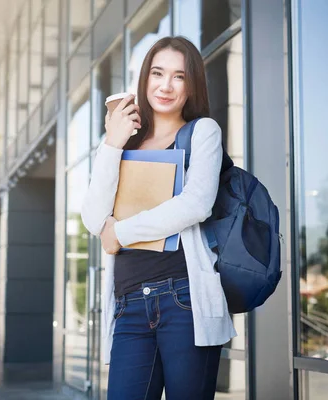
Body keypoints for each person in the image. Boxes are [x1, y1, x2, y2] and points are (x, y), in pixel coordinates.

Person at [81, 36, 236, 400]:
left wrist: (120, 233)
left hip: (183, 300)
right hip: (129, 302)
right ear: (144, 79)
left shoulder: (202, 132)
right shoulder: (127, 142)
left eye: (179, 77)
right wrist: (112, 143)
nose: (166, 85)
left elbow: (195, 203)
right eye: (158, 73)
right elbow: (92, 218)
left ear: (192, 84)